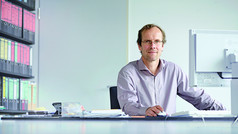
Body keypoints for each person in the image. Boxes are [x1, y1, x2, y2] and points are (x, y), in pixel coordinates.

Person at [117, 24, 226, 116]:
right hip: (139, 129)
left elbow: (197, 97)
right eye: (147, 41)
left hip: (168, 128)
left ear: (162, 45)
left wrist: (226, 112)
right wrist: (145, 110)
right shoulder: (127, 73)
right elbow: (128, 105)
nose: (153, 46)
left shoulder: (173, 70)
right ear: (139, 45)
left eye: (157, 41)